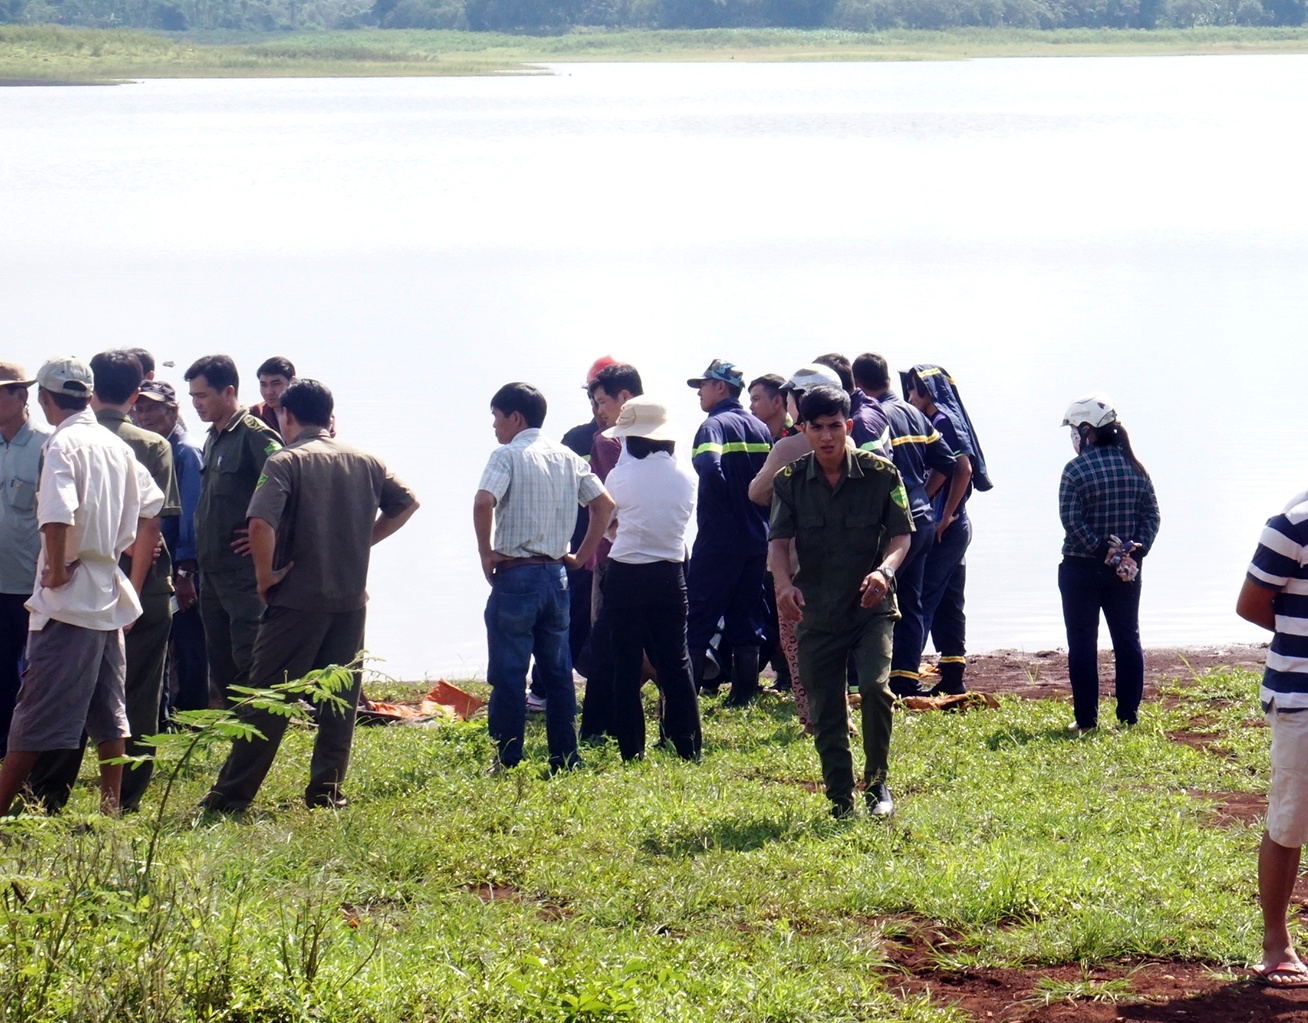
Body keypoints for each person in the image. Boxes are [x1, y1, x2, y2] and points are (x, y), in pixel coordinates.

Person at [200, 380, 419, 811]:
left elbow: (260, 523)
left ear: (286, 415)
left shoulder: (285, 461)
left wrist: (265, 577)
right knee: (339, 699)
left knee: (267, 698)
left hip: (296, 599)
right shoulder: (366, 460)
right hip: (350, 599)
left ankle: (230, 796)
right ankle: (326, 791)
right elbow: (406, 503)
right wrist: (362, 542)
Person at [0, 357, 164, 817]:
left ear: (46, 399)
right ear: (87, 395)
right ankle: (110, 812)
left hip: (70, 597)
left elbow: (57, 513)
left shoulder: (63, 443)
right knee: (109, 711)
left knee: (32, 713)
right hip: (107, 592)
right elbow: (151, 511)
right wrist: (131, 579)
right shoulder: (114, 445)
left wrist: (54, 571)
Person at [769, 385, 913, 818]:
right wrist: (783, 586)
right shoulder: (789, 481)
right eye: (817, 428)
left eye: (835, 427)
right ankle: (838, 797)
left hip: (870, 605)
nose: (827, 436)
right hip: (816, 609)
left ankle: (877, 785)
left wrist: (884, 571)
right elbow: (778, 543)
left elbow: (902, 536)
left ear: (848, 427)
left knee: (874, 687)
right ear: (803, 430)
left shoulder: (882, 473)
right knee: (824, 703)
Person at [473, 382, 614, 771]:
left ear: (515, 417)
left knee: (509, 672)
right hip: (556, 576)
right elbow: (604, 506)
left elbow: (484, 500)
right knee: (557, 672)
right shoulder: (567, 457)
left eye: (496, 418)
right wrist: (581, 556)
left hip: (516, 576)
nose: (495, 427)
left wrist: (486, 553)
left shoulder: (507, 455)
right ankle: (565, 757)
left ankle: (507, 758)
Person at [600, 397, 701, 761]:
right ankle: (689, 746)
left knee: (625, 663)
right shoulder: (687, 476)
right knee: (677, 661)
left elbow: (611, 524)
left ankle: (632, 750)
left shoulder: (619, 476)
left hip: (626, 575)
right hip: (671, 574)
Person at [851, 353, 957, 697]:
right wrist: (922, 497)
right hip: (922, 518)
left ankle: (867, 677)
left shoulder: (870, 416)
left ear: (856, 383)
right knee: (910, 600)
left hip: (893, 523)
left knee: (872, 597)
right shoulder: (914, 412)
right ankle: (905, 679)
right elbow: (947, 463)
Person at [1238, 491, 1308, 988]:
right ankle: (1276, 944)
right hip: (1302, 696)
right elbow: (1252, 603)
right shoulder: (1293, 521)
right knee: (1289, 819)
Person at [1058, 393, 1160, 732]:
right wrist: (1133, 552)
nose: (1072, 436)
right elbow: (1152, 515)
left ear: (1086, 430)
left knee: (1082, 644)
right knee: (1127, 640)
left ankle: (1087, 721)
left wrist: (1103, 550)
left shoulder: (1075, 470)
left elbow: (1071, 520)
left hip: (1080, 569)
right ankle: (1127, 718)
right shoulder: (1135, 467)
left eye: (1073, 429)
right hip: (1126, 573)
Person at [749, 364, 844, 723]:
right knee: (838, 640)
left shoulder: (790, 446)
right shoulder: (850, 440)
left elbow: (757, 493)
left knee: (798, 643)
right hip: (844, 561)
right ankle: (841, 708)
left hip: (794, 563)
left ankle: (812, 715)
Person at [185, 355, 282, 705]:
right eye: (193, 397)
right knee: (221, 660)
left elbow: (290, 489)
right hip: (212, 573)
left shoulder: (254, 436)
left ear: (228, 392)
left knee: (250, 656)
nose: (197, 404)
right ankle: (232, 733)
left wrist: (266, 539)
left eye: (203, 396)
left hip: (243, 574)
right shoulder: (213, 438)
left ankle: (260, 731)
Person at [685, 360, 772, 706]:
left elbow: (708, 464)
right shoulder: (761, 429)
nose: (699, 393)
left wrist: (722, 504)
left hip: (719, 539)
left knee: (698, 618)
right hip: (756, 538)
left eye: (703, 386)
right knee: (747, 615)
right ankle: (743, 695)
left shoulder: (713, 426)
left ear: (720, 387)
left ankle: (685, 697)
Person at [903, 364, 993, 696]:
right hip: (956, 525)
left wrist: (940, 511)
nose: (910, 396)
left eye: (913, 390)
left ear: (927, 391)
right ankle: (953, 675)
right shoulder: (946, 419)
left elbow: (962, 468)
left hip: (947, 527)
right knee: (949, 601)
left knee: (922, 597)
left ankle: (906, 675)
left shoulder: (941, 421)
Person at [575, 362, 644, 739]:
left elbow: (604, 505)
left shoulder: (605, 442)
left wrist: (586, 552)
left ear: (625, 398)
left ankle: (600, 725)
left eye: (602, 401)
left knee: (607, 640)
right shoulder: (662, 439)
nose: (599, 411)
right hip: (659, 553)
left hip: (611, 554)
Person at [133, 380, 210, 712]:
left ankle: (191, 713)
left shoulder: (185, 451)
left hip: (181, 568)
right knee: (166, 644)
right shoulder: (156, 449)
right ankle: (165, 713)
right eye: (140, 407)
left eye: (154, 408)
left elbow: (191, 516)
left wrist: (184, 571)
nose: (145, 415)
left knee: (190, 643)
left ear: (173, 410)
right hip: (159, 564)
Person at [0, 363, 51, 757]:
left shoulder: (47, 446)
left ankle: (24, 751)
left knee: (31, 674)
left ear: (23, 396)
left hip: (31, 582)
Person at [248, 356, 294, 434]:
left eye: (276, 384)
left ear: (292, 382)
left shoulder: (307, 414)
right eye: (264, 385)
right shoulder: (255, 414)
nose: (269, 392)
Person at [748, 374, 793, 441]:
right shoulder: (757, 436)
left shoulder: (796, 437)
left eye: (755, 399)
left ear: (776, 401)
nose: (750, 407)